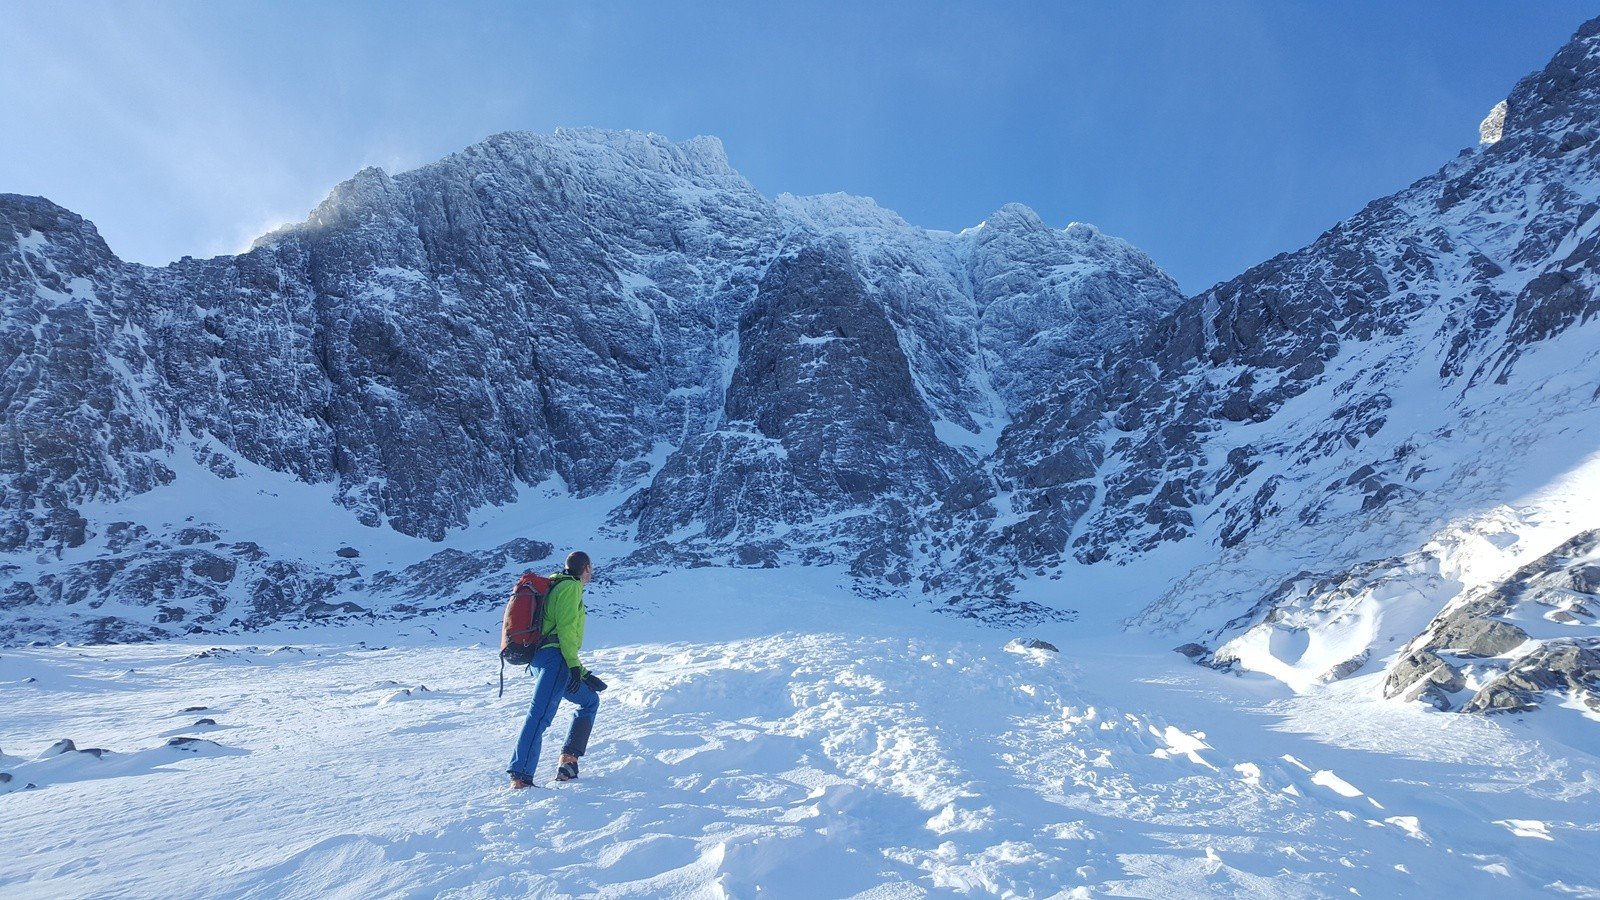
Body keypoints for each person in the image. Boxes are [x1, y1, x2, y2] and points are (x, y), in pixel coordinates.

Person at [507, 550, 606, 788]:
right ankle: (520, 776)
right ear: (586, 569)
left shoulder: (555, 584)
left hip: (543, 660)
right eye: (590, 568)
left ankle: (568, 763)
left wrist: (583, 674)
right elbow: (566, 631)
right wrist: (574, 667)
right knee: (539, 716)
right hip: (556, 661)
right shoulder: (571, 588)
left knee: (589, 701)